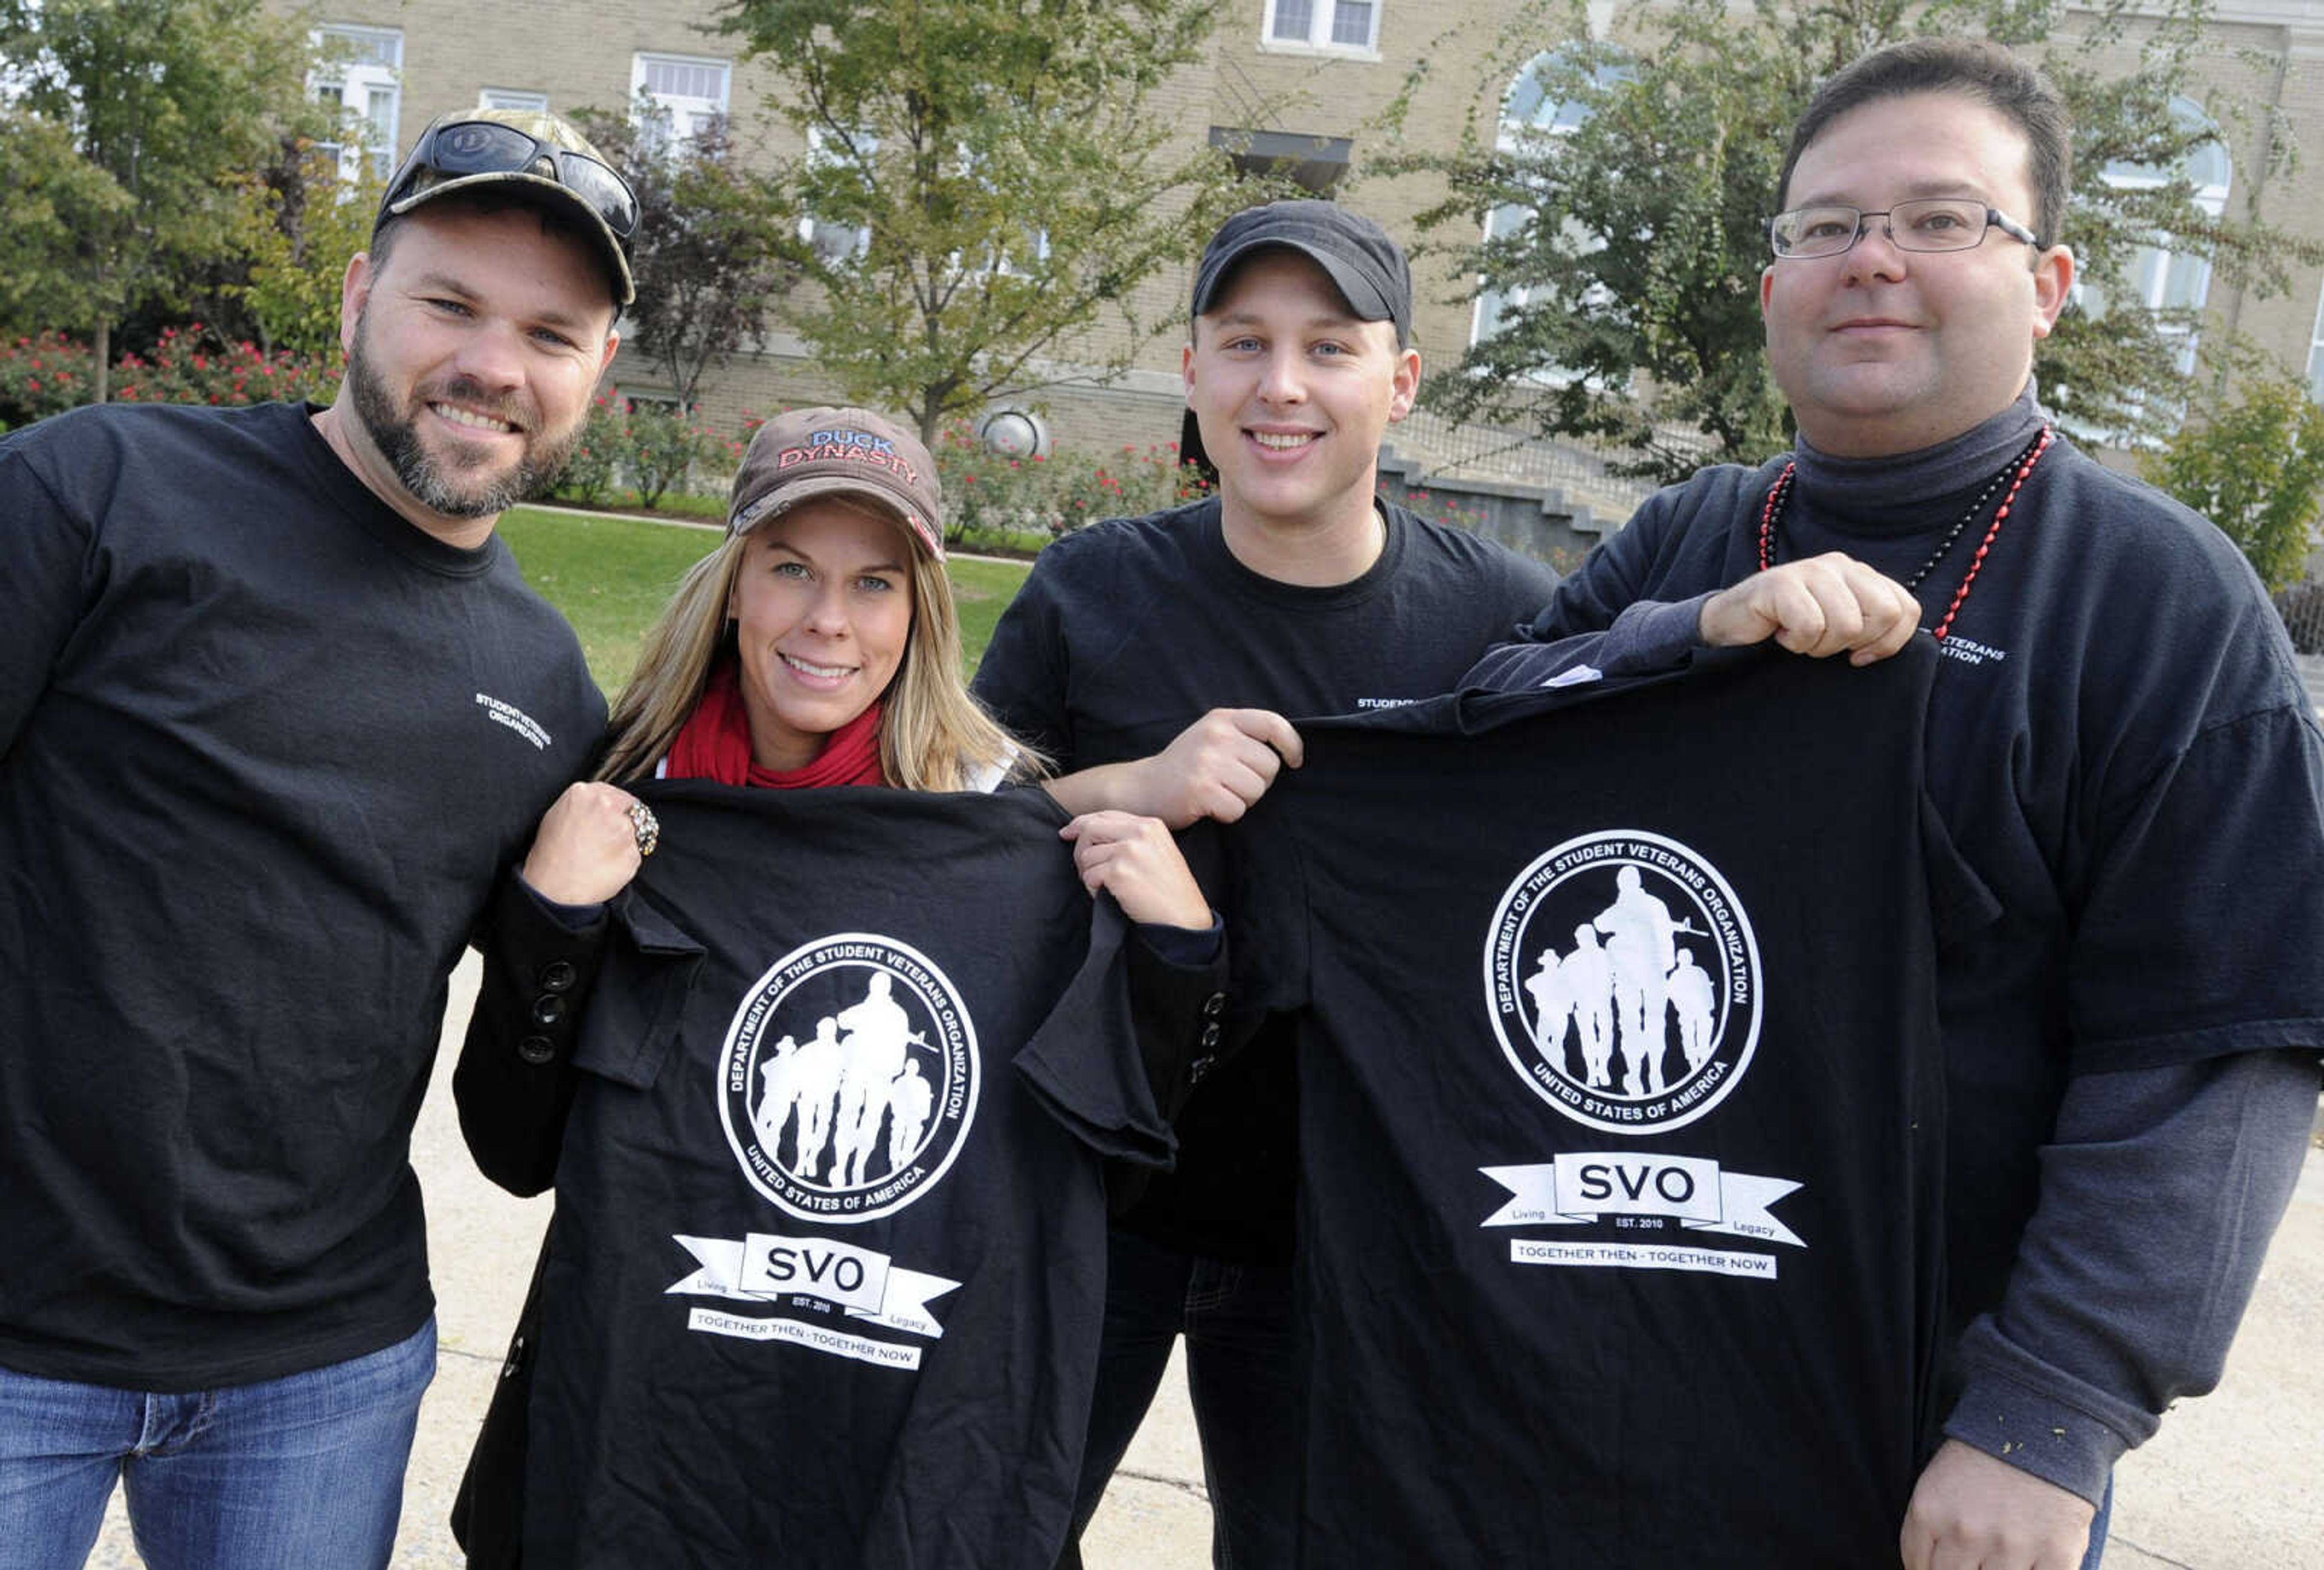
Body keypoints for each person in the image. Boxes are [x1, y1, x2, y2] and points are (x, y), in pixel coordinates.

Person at [1466, 38, 2324, 1570]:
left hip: (1931, 1429)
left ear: (2050, 279)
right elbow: (1477, 743)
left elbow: (2214, 1049)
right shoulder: (1691, 536)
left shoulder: (2160, 602)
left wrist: (2051, 1415)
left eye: (1941, 220)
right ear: (1777, 275)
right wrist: (1686, 634)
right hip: (1599, 1358)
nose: (1872, 262)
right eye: (1824, 227)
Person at [0, 108, 631, 1569]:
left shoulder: (546, 685)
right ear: (359, 298)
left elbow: (530, 1101)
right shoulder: (96, 492)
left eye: (551, 331)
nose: (493, 364)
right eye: (451, 304)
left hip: (318, 1371)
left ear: (599, 370)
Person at [450, 406, 1225, 1567]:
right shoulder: (626, 801)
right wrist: (552, 920)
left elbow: (1111, 1164)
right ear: (732, 585)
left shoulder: (998, 839)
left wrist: (1178, 953)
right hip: (646, 1437)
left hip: (897, 1453)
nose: (827, 620)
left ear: (919, 614)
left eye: (873, 584)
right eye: (792, 570)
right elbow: (512, 1145)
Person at [971, 199, 1563, 1566]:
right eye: (1243, 342)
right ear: (1192, 371)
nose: (1280, 385)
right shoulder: (1090, 590)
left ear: (1400, 382)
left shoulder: (1502, 620)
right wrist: (1134, 786)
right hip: (1088, 1191)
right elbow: (944, 845)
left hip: (1347, 1232)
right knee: (988, 1526)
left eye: (1330, 347)